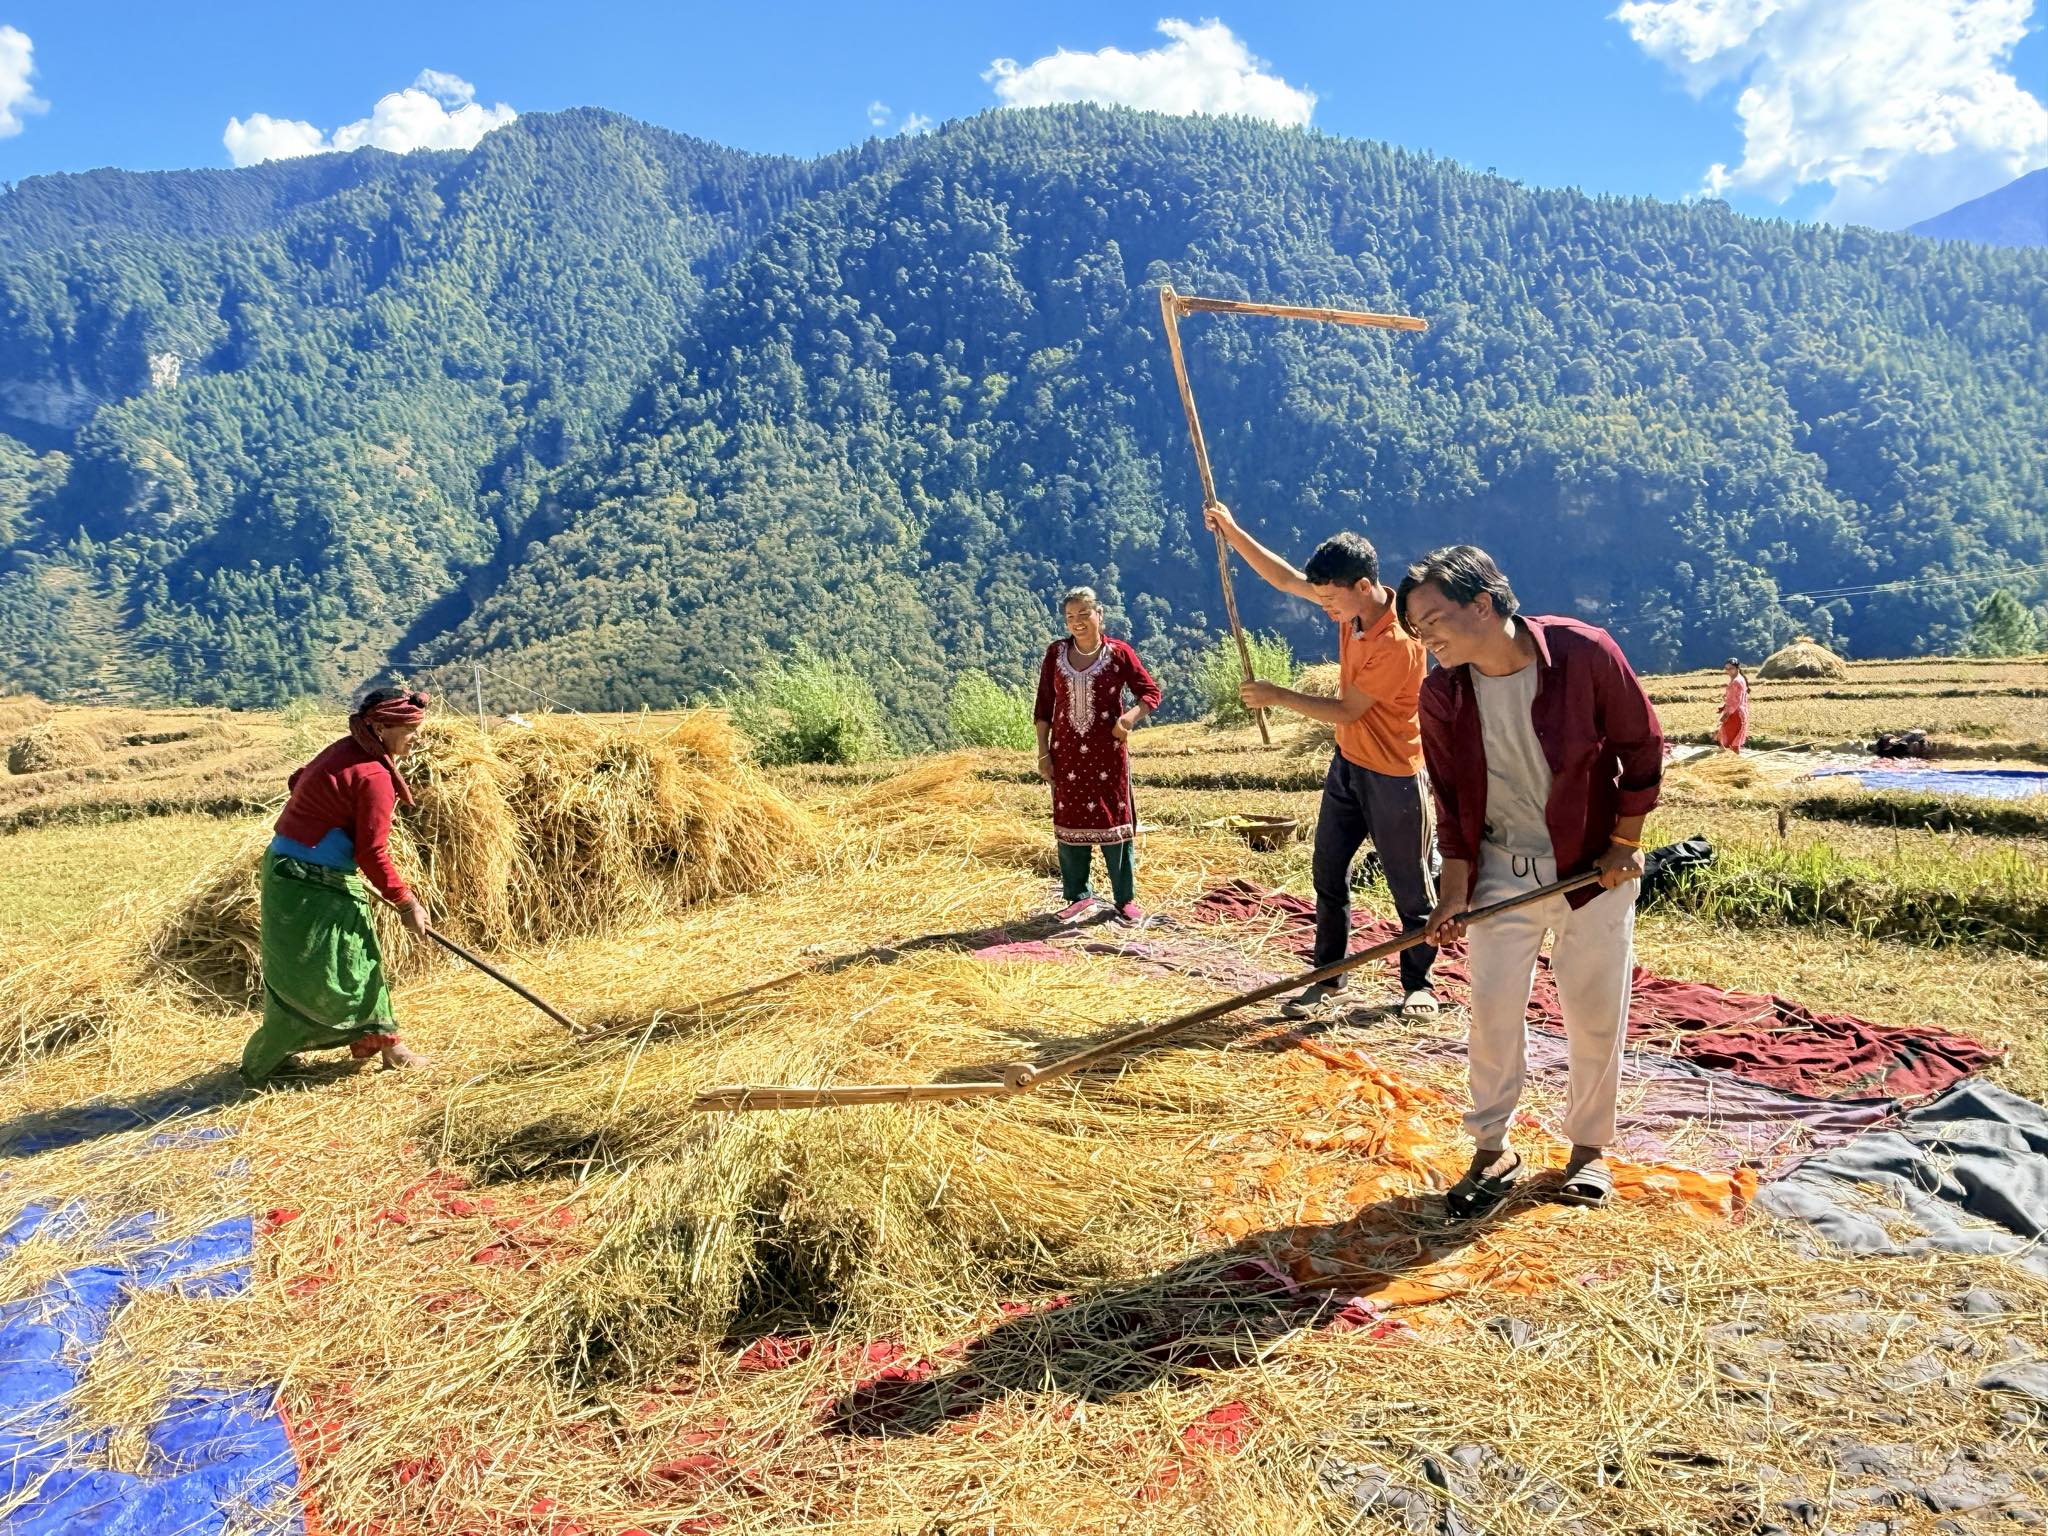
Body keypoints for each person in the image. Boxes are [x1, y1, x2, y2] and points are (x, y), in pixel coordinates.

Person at [1399, 546, 1663, 1215]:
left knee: (1594, 1012)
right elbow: (1453, 807)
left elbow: (1642, 746)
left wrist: (1624, 844)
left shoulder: (1583, 654)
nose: (1424, 637)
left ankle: (1589, 1149)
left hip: (1591, 870)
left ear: (1482, 604)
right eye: (1415, 627)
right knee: (1490, 1013)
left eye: (1432, 620)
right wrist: (1452, 898)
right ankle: (1493, 1149)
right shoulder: (1442, 694)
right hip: (1498, 872)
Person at [1202, 501, 1439, 1018]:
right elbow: (1286, 579)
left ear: (1362, 586)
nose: (1324, 607)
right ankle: (1327, 977)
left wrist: (1276, 695)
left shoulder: (1399, 642)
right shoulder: (1352, 610)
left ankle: (1419, 983)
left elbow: (1348, 709)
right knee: (1328, 873)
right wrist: (1232, 529)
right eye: (1323, 598)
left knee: (1412, 889)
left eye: (1332, 599)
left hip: (1395, 777)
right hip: (1348, 768)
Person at [240, 688, 434, 1087]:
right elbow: (373, 851)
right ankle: (389, 1049)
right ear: (380, 727)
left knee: (308, 968)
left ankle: (276, 1055)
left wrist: (325, 821)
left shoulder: (345, 750)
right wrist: (405, 901)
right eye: (410, 729)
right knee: (353, 959)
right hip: (309, 880)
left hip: (284, 867)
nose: (416, 737)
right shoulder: (374, 775)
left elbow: (299, 781)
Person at [1033, 587, 1163, 923]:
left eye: (1084, 614)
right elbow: (1044, 705)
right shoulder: (1055, 654)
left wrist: (1128, 721)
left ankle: (1125, 899)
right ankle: (1078, 896)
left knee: (1115, 823)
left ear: (1099, 616)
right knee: (1069, 824)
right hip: (1067, 756)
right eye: (1070, 617)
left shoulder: (1119, 654)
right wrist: (1043, 752)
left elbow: (1150, 693)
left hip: (1108, 756)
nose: (1077, 622)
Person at [1719, 658, 1750, 753]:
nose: (1728, 671)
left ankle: (1733, 762)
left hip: (1735, 714)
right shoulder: (1739, 679)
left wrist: (1727, 714)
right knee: (1732, 738)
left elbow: (1736, 701)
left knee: (1731, 739)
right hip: (1738, 712)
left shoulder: (1737, 681)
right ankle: (1732, 761)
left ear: (1737, 668)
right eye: (1726, 668)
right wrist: (1725, 706)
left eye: (1731, 668)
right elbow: (1733, 698)